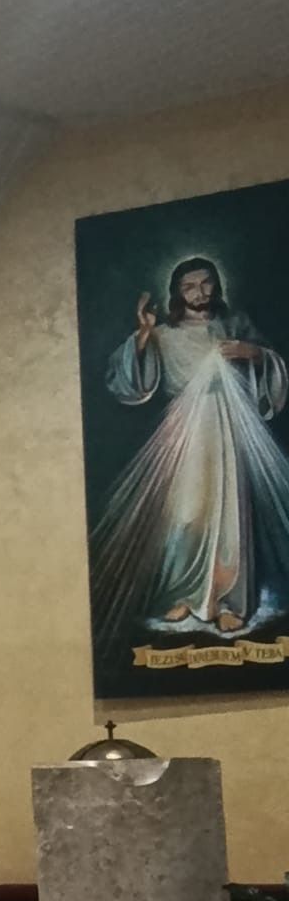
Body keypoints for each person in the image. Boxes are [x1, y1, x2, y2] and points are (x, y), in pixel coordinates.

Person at [93, 256, 289, 647]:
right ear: (177, 293)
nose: (199, 292)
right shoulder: (164, 333)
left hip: (229, 426)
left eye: (205, 283)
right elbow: (128, 381)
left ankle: (229, 601)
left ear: (216, 284)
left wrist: (252, 353)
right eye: (189, 286)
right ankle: (183, 594)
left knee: (229, 514)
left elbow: (273, 364)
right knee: (184, 515)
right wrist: (143, 334)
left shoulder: (235, 324)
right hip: (184, 429)